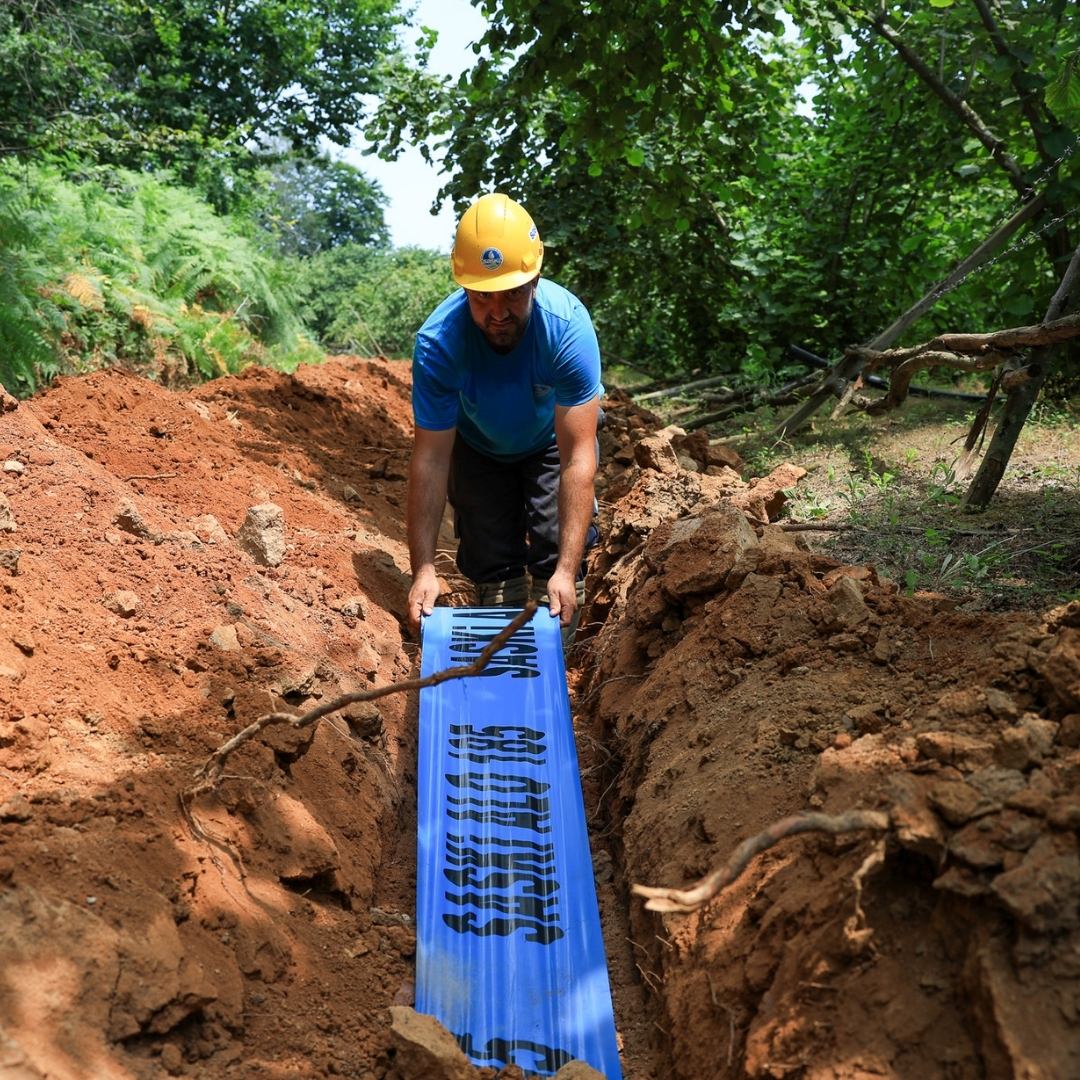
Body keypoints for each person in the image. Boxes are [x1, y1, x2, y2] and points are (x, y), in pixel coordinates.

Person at [406, 192, 602, 639]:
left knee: (557, 544)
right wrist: (422, 569)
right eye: (481, 298)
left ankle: (562, 630)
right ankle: (501, 631)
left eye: (511, 294)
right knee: (491, 557)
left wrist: (567, 571)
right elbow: (431, 460)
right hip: (478, 445)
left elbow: (578, 458)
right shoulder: (439, 343)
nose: (497, 313)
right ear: (464, 289)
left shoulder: (567, 328)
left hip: (551, 439)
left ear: (534, 280)